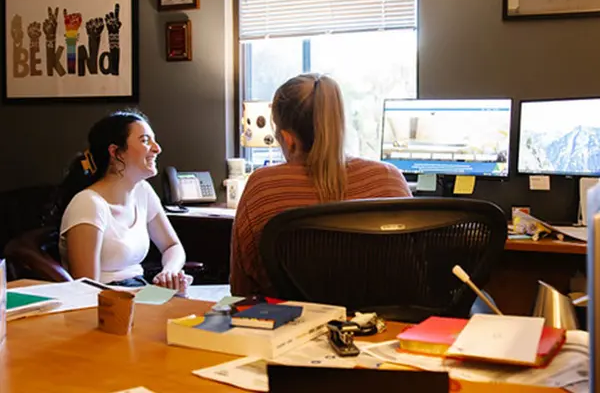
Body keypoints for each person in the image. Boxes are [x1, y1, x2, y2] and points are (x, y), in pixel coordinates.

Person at [230, 73, 413, 297]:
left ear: (288, 139)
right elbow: (415, 276)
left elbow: (241, 290)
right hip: (382, 328)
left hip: (288, 327)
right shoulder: (388, 179)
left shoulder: (263, 187)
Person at [53, 109, 190, 292]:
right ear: (116, 152)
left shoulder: (143, 191)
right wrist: (149, 295)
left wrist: (169, 273)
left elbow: (172, 246)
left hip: (140, 290)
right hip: (107, 304)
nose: (157, 148)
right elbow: (85, 291)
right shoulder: (88, 204)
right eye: (145, 141)